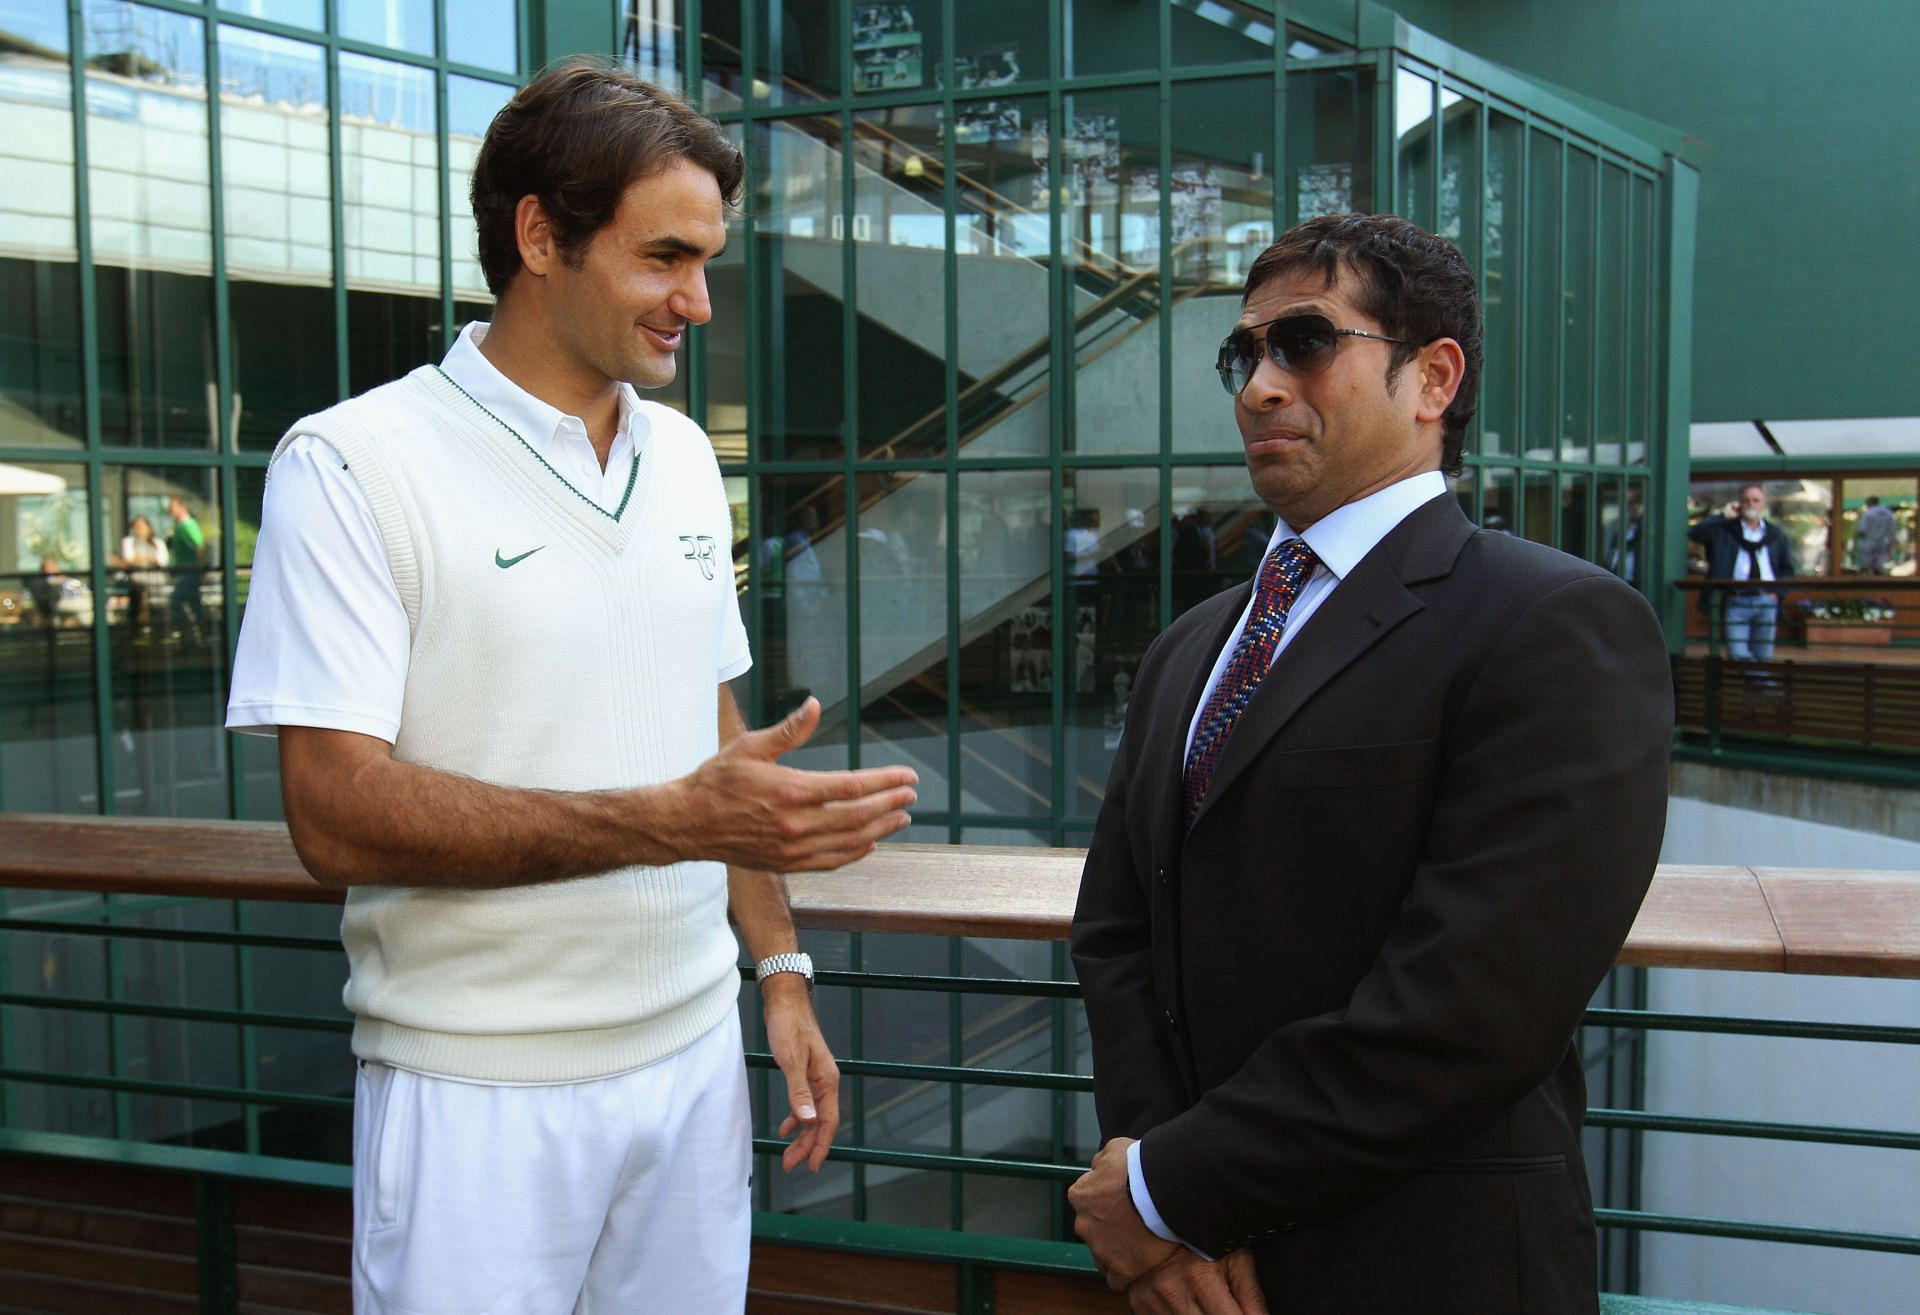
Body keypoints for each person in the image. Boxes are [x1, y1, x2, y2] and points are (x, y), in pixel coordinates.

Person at [225, 61, 918, 1314]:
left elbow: (715, 742)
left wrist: (780, 971)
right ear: (540, 234)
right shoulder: (347, 465)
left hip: (697, 1067)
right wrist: (671, 819)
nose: (699, 303)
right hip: (476, 1095)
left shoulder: (691, 458)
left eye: (707, 260)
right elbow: (331, 815)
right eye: (665, 258)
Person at [1068, 213, 1671, 1315]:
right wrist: (1161, 1203)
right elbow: (1117, 928)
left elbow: (1474, 1008)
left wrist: (1166, 1188)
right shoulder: (1190, 645)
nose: (1258, 384)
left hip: (1432, 1265)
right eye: (1242, 354)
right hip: (1195, 1276)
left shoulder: (1556, 624)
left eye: (1303, 343)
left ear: (1433, 377)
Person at [1688, 484, 1795, 660]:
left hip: (1766, 599)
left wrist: (1777, 594)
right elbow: (1695, 533)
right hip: (1736, 599)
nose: (1751, 504)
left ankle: (1762, 686)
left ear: (1763, 504)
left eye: (1755, 500)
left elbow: (1787, 569)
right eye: (1746, 500)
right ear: (1739, 504)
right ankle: (1768, 686)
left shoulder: (1776, 535)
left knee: (1764, 656)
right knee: (1737, 654)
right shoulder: (1725, 531)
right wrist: (1723, 516)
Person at [165, 495, 209, 642]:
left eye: (172, 508)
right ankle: (202, 635)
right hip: (185, 572)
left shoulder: (188, 525)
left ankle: (191, 635)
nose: (169, 511)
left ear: (181, 507)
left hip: (190, 572)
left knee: (175, 602)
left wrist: (202, 568)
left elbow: (199, 547)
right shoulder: (179, 527)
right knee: (195, 605)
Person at [115, 514, 169, 633]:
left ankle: (157, 630)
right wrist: (151, 558)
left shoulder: (157, 542)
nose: (139, 530)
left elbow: (162, 560)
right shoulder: (128, 542)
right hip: (136, 582)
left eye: (142, 526)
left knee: (157, 609)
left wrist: (140, 558)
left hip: (155, 582)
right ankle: (134, 632)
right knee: (136, 606)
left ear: (148, 528)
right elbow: (129, 559)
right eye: (136, 527)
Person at [1855, 495, 1896, 574]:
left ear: (1868, 503)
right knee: (1880, 567)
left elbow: (1862, 530)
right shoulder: (1888, 513)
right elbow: (1892, 530)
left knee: (1865, 567)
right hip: (1883, 543)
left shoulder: (1867, 514)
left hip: (1868, 542)